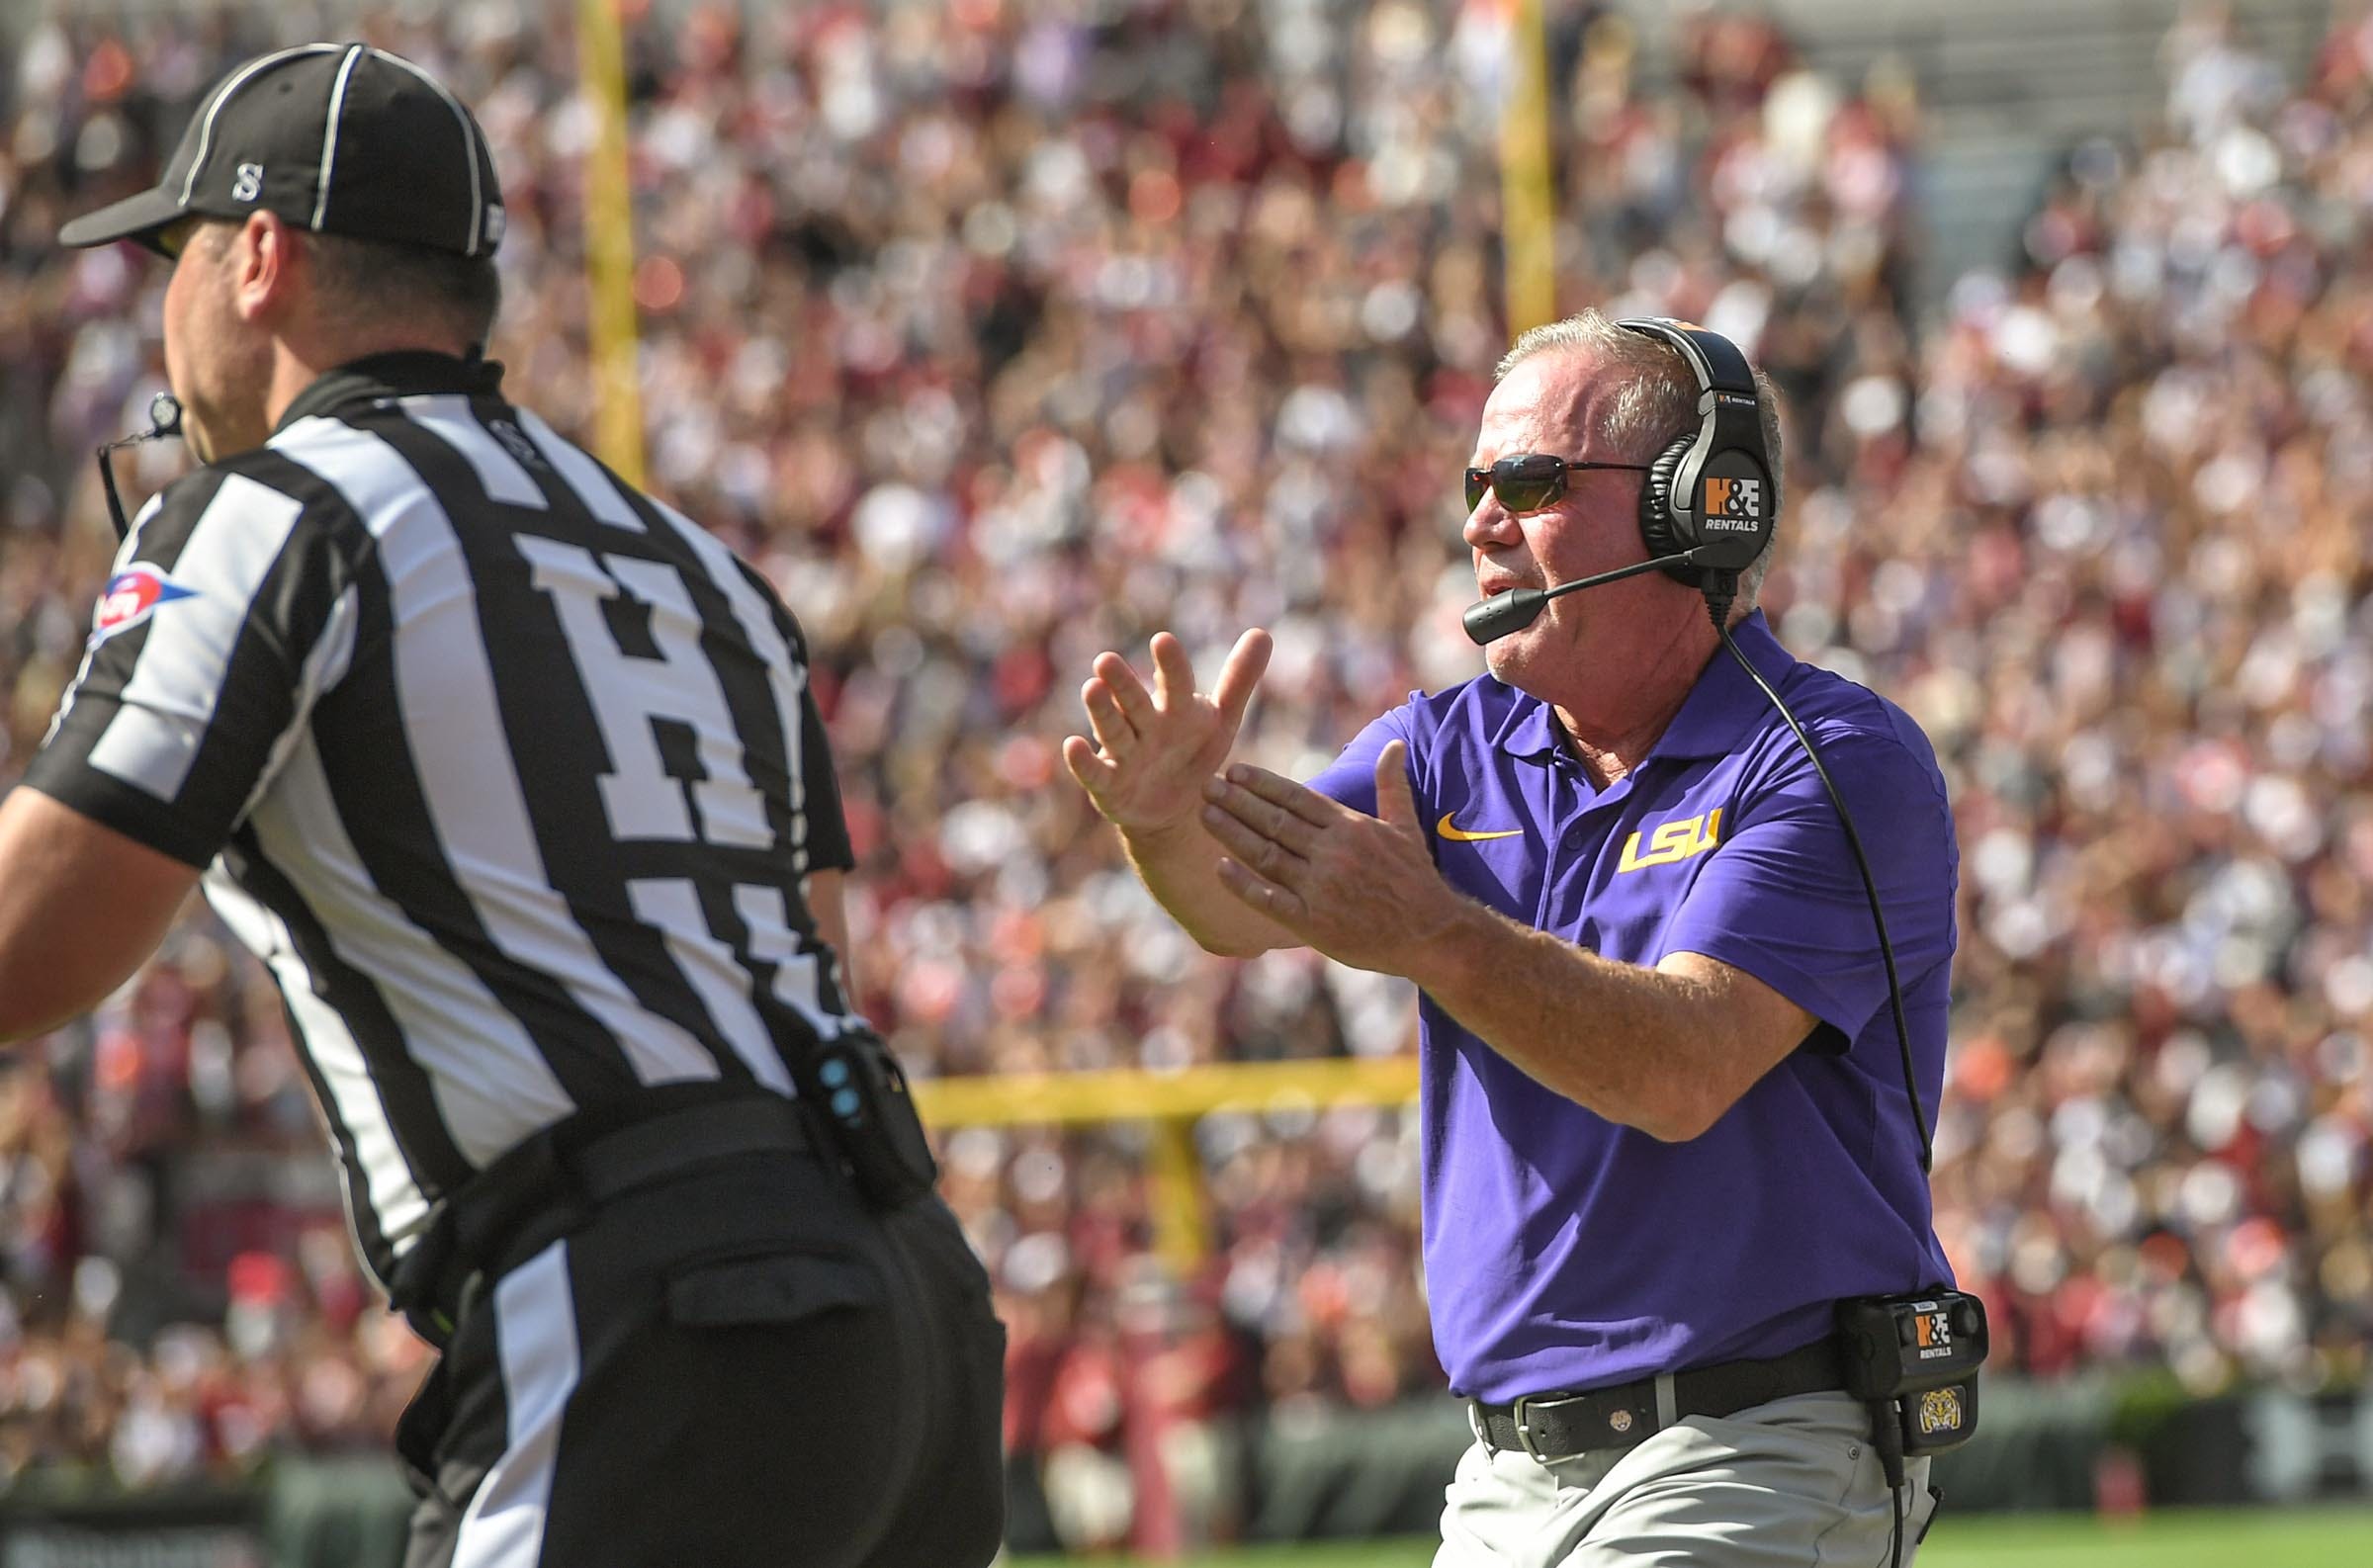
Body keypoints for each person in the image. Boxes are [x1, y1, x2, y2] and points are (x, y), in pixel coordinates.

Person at [4, 44, 1004, 1568]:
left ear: (255, 256)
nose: (159, 303)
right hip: (901, 1297)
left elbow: (37, 937)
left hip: (648, 1307)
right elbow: (817, 963)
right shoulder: (705, 570)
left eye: (172, 251)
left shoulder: (277, 508)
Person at [1066, 308, 1961, 1565]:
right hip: (1506, 1468)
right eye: (1476, 484)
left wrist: (1438, 935)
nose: (1481, 520)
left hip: (1752, 1437)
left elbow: (1679, 1069)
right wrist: (1159, 830)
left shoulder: (1837, 759)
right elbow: (1227, 901)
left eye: (1532, 482)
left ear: (1699, 507)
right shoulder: (1443, 744)